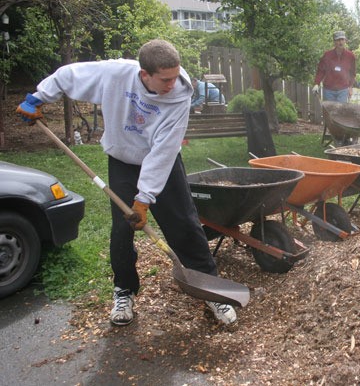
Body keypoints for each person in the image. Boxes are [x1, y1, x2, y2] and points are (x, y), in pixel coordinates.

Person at [16, 39, 237, 326]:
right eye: (165, 79)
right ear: (144, 74)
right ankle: (124, 290)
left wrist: (145, 197)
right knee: (121, 229)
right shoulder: (116, 74)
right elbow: (70, 76)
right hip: (122, 162)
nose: (173, 84)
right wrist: (37, 98)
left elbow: (164, 151)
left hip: (162, 164)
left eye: (175, 76)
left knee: (184, 224)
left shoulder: (180, 96)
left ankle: (212, 290)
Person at [312, 30, 356, 103]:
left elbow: (352, 73)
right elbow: (321, 70)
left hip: (343, 90)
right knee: (328, 112)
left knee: (340, 112)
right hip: (328, 90)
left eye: (342, 39)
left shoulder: (350, 56)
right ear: (334, 41)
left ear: (345, 41)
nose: (340, 42)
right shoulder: (327, 55)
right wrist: (317, 83)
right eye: (338, 40)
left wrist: (350, 87)